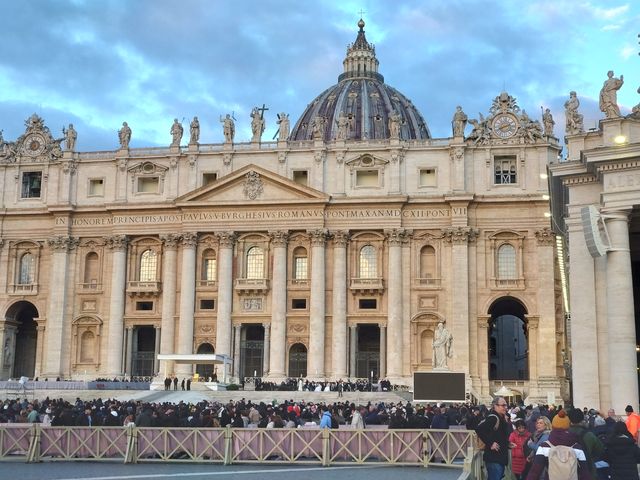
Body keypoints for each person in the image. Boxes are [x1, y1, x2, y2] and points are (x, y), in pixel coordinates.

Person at [526, 409, 591, 480]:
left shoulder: (544, 447)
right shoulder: (577, 447)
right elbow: (585, 473)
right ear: (568, 426)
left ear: (553, 426)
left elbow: (535, 472)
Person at [476, 396, 512, 480]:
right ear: (495, 406)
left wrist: (507, 443)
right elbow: (479, 429)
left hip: (498, 457)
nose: (505, 407)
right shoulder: (493, 418)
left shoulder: (500, 417)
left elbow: (498, 436)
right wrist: (491, 443)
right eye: (503, 405)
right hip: (494, 458)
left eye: (506, 405)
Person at [568, 408, 604, 479]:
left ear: (569, 419)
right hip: (588, 470)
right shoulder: (589, 435)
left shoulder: (565, 434)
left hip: (568, 471)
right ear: (582, 419)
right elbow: (600, 450)